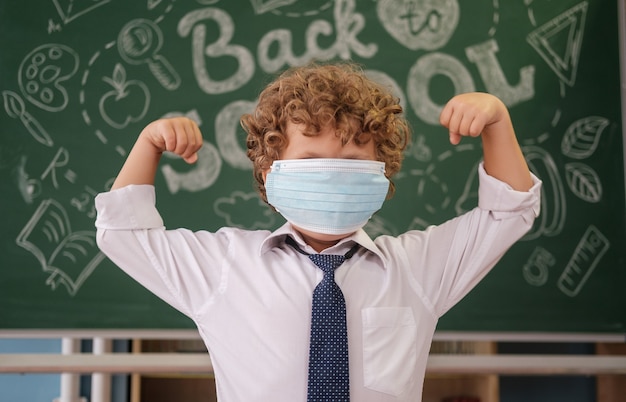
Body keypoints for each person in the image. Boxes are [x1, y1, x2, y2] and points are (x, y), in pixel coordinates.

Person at [95, 62, 541, 401]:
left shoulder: (417, 268)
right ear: (270, 169)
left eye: (351, 163)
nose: (331, 176)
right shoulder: (224, 267)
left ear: (383, 172)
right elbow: (123, 233)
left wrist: (497, 121)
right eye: (311, 161)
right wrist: (149, 144)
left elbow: (508, 213)